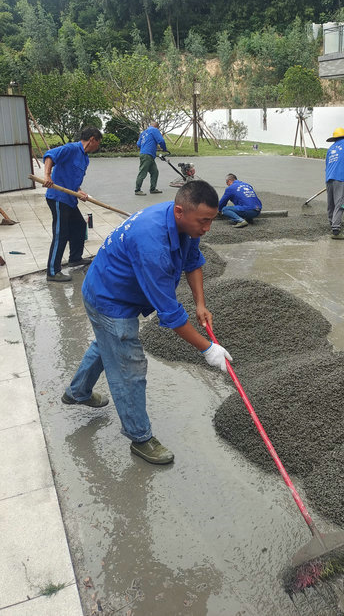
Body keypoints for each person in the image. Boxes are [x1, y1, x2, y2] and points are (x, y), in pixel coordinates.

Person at [62, 180, 232, 465]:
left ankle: (77, 392)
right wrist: (208, 349)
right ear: (179, 211)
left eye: (211, 221)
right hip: (109, 298)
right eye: (204, 221)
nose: (207, 228)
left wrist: (201, 304)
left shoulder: (186, 225)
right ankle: (140, 438)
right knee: (129, 366)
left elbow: (192, 261)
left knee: (108, 344)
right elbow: (170, 313)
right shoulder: (153, 244)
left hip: (117, 289)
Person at [43, 126, 102, 282]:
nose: (98, 146)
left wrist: (80, 191)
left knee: (79, 226)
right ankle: (52, 272)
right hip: (57, 197)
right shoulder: (71, 149)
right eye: (98, 142)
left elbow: (74, 178)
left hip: (70, 198)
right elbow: (50, 156)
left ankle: (75, 258)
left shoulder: (85, 158)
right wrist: (47, 175)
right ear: (92, 140)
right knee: (60, 233)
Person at [135, 120, 166, 196]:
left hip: (147, 155)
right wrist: (164, 148)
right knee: (142, 172)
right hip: (147, 155)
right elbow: (161, 140)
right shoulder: (154, 130)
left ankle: (153, 189)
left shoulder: (144, 132)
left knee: (155, 172)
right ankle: (137, 190)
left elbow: (138, 144)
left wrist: (145, 147)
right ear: (156, 126)